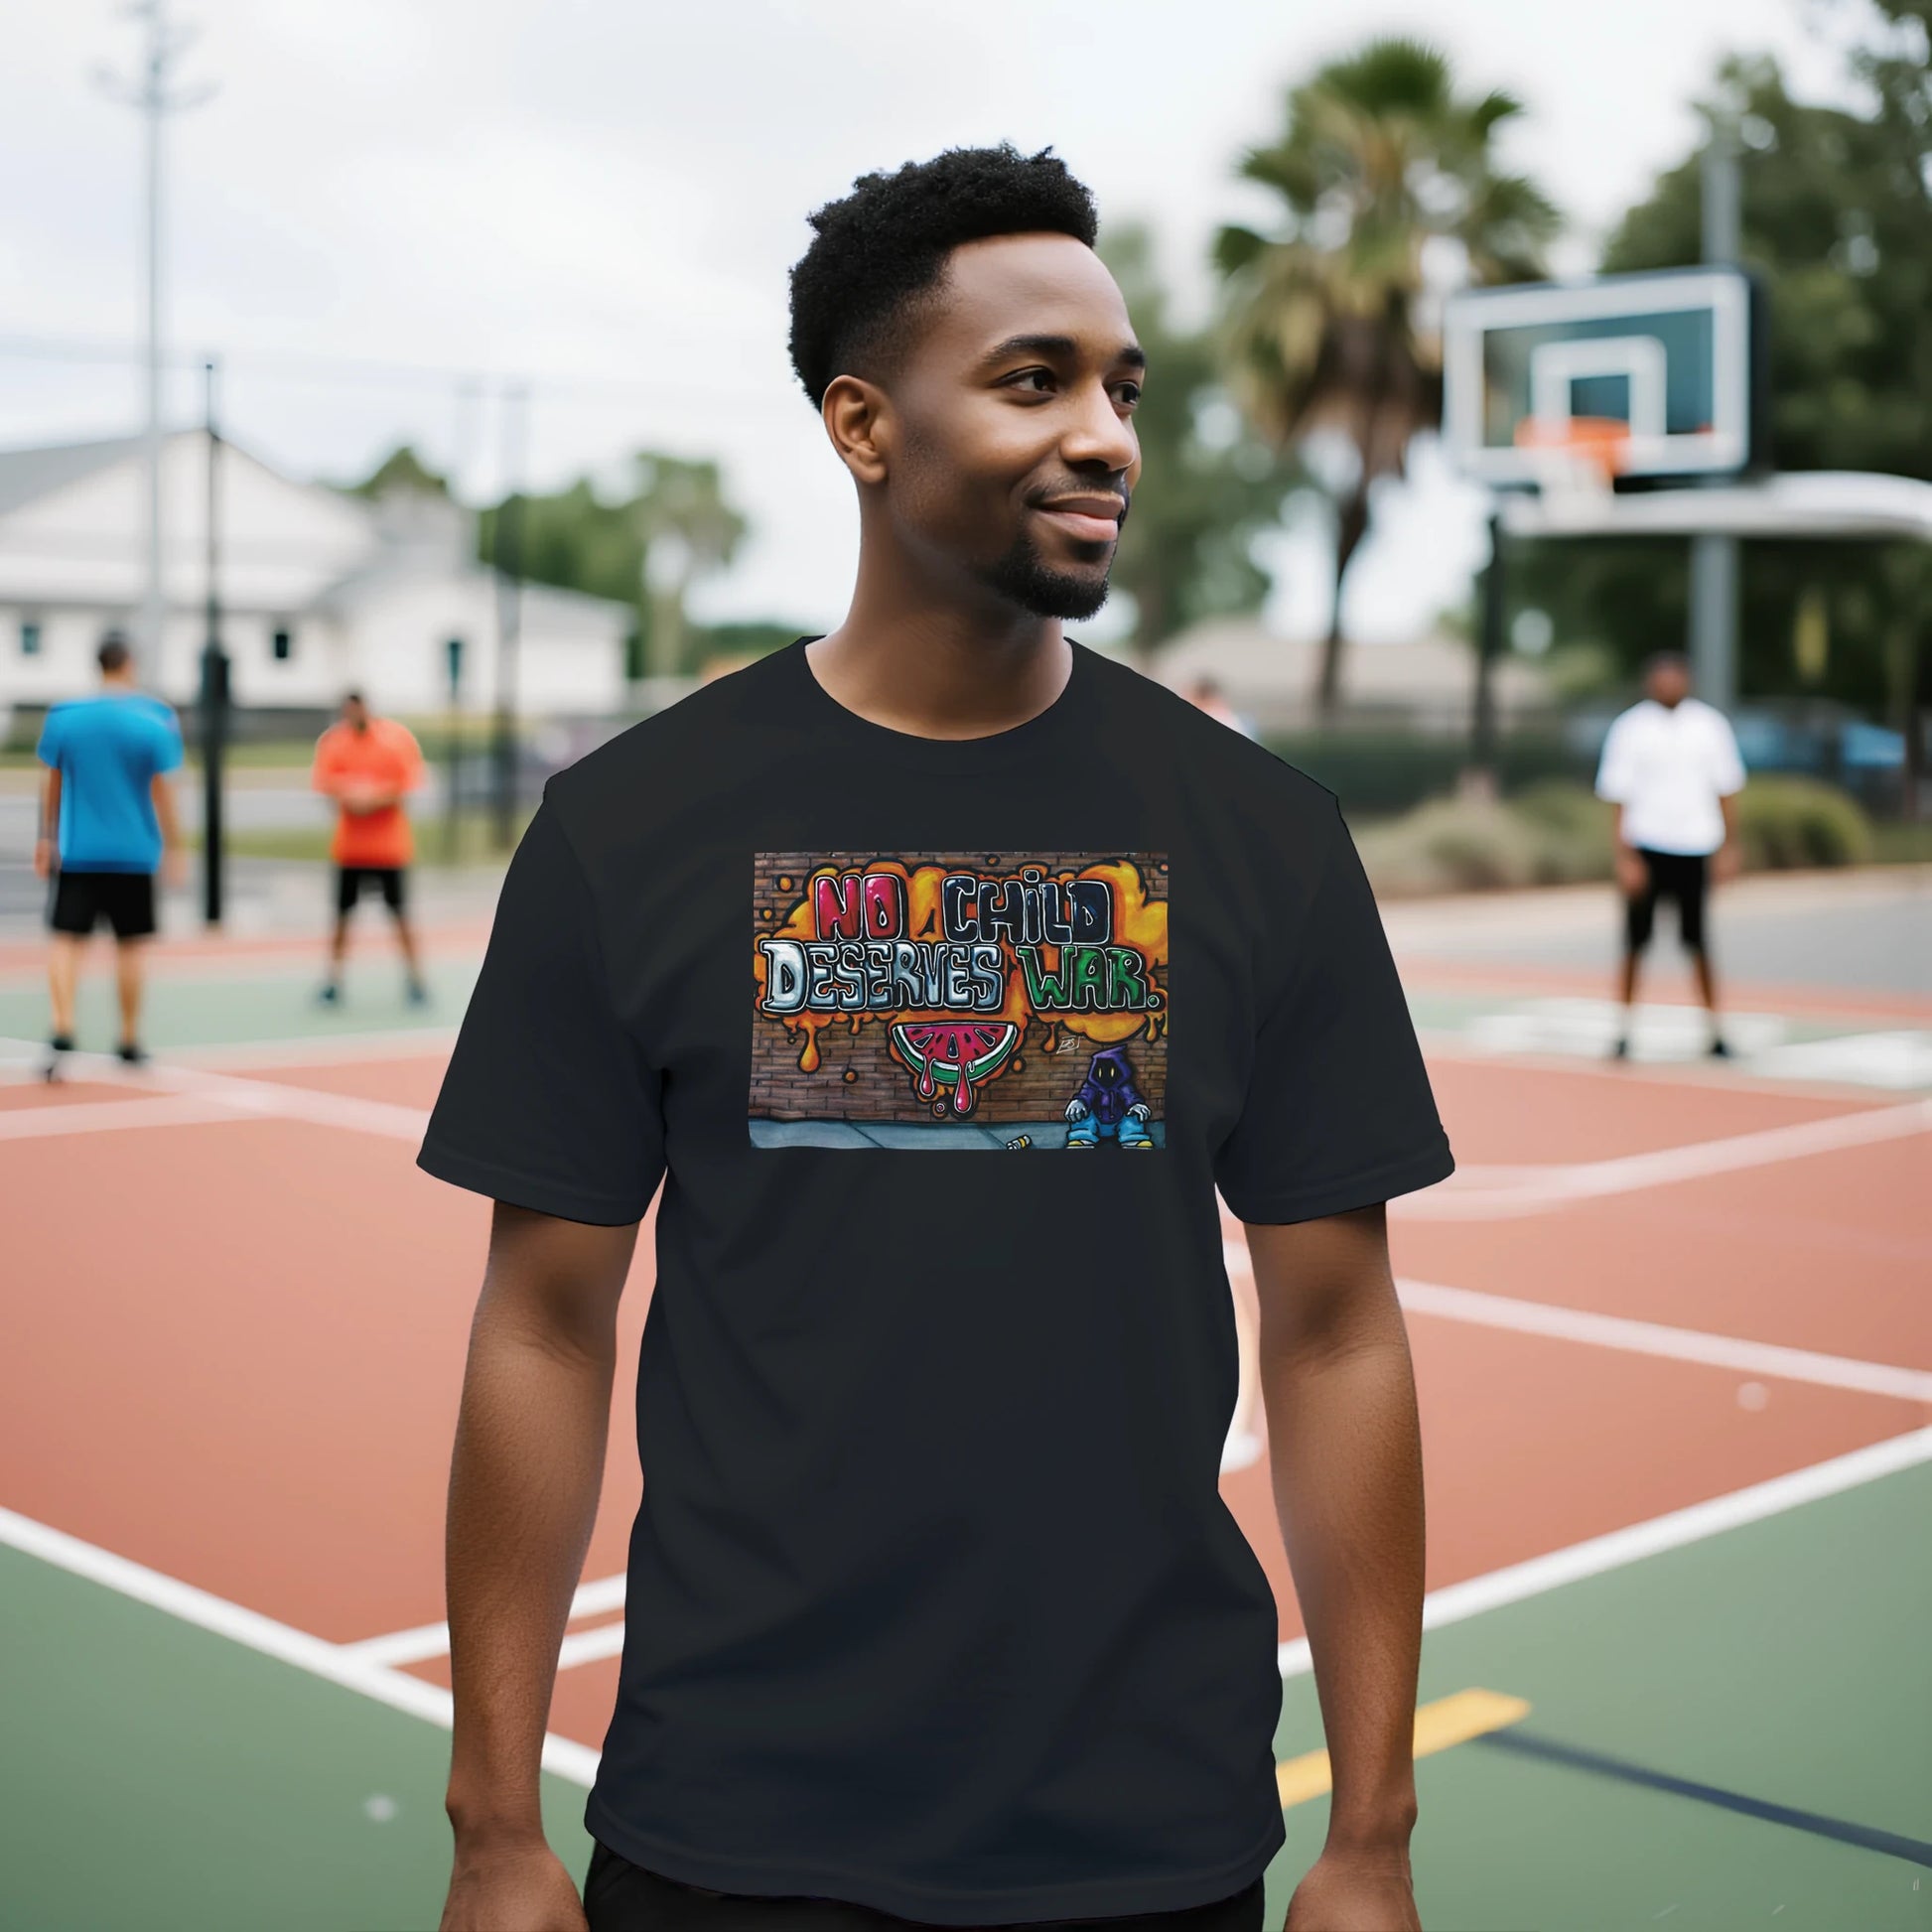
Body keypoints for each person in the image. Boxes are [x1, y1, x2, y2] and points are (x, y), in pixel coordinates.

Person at [420, 145, 1452, 1932]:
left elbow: (1338, 1329)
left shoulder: (1263, 837)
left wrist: (1372, 1833)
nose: (1107, 437)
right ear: (862, 425)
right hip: (731, 1824)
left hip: (1148, 1831)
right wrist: (492, 1824)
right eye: (1034, 381)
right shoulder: (630, 828)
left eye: (1123, 389)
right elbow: (543, 1321)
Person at [33, 631, 185, 1074]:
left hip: (79, 849)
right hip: (133, 850)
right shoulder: (155, 717)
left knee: (66, 940)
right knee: (130, 945)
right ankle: (129, 1038)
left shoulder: (65, 716)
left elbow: (52, 782)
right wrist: (175, 846)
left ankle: (62, 1025)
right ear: (129, 662)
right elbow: (162, 790)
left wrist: (46, 838)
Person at [1594, 650, 1746, 1059]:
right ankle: (1623, 1031)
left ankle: (1715, 1031)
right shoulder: (1630, 728)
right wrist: (1625, 857)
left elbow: (1727, 789)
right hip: (1646, 846)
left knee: (1698, 942)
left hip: (1695, 846)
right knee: (1635, 943)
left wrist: (1729, 846)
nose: (1668, 684)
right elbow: (1618, 794)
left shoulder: (1709, 726)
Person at [310, 690, 428, 1006]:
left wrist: (373, 796)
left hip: (388, 849)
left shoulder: (395, 740)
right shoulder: (334, 742)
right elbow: (326, 783)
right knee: (342, 918)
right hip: (351, 850)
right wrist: (350, 795)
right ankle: (333, 981)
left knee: (401, 916)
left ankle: (416, 980)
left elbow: (407, 783)